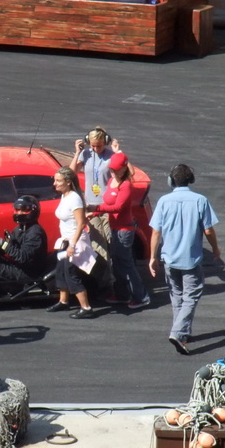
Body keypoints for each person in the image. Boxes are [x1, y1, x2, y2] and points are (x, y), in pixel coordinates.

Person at [148, 164, 222, 355]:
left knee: (176, 296)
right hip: (191, 259)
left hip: (170, 258)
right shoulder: (200, 200)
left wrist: (152, 257)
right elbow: (208, 230)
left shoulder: (164, 201)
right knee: (191, 296)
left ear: (171, 181)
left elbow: (156, 231)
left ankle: (182, 333)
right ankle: (177, 331)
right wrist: (215, 249)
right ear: (191, 180)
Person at [87, 152, 151, 308]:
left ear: (124, 169)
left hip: (124, 230)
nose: (113, 172)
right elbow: (107, 203)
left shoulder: (126, 185)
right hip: (115, 228)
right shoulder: (111, 181)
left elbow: (118, 207)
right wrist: (94, 213)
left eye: (116, 169)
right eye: (111, 169)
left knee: (126, 264)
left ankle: (141, 296)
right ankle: (122, 294)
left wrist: (96, 208)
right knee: (117, 263)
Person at [70, 126, 118, 291]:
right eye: (93, 145)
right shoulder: (86, 154)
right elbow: (71, 173)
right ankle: (108, 283)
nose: (96, 149)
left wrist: (118, 153)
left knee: (112, 243)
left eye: (99, 146)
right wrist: (77, 152)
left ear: (105, 142)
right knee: (99, 246)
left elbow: (125, 175)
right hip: (91, 207)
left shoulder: (111, 156)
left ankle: (115, 280)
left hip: (109, 207)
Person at [47, 166, 96, 319]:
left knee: (71, 273)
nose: (55, 184)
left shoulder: (74, 198)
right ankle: (64, 301)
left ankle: (86, 307)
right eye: (54, 180)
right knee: (61, 270)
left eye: (58, 181)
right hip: (66, 241)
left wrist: (72, 245)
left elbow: (81, 224)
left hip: (75, 242)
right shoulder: (65, 195)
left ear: (68, 182)